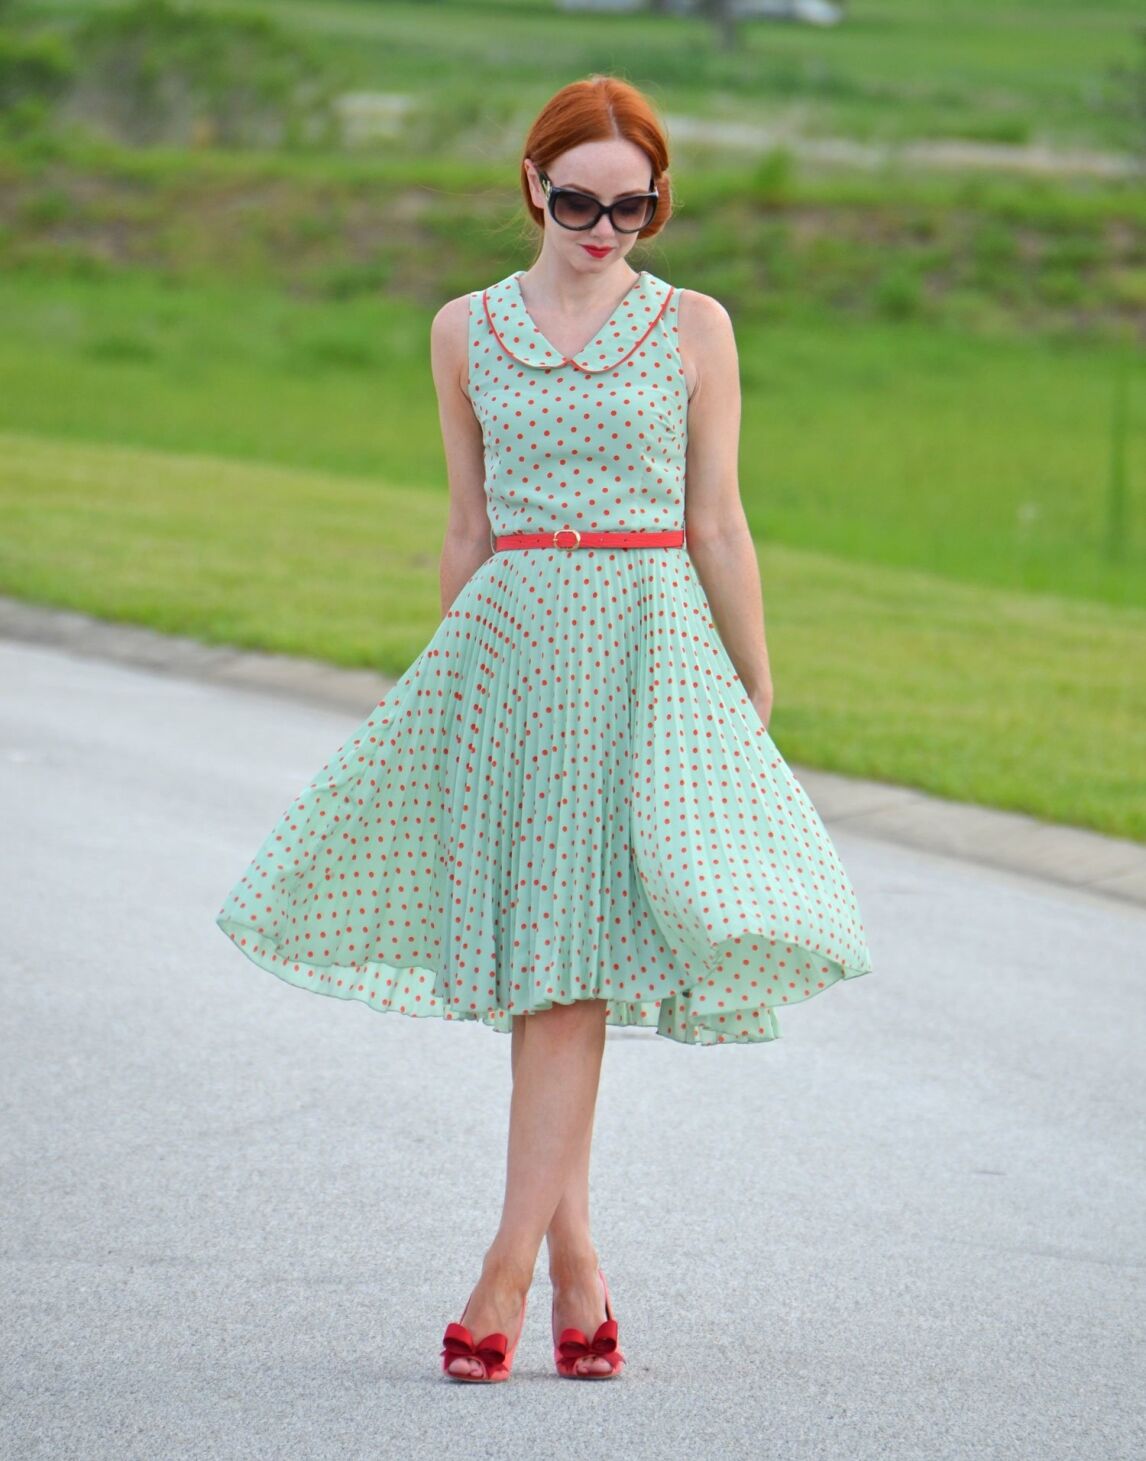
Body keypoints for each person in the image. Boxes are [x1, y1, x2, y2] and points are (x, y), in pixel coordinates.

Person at [215, 73, 874, 1385]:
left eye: (631, 208)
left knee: (566, 970)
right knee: (546, 969)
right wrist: (452, 685)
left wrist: (754, 675)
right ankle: (575, 1266)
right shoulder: (462, 328)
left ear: (657, 207)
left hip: (645, 648)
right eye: (576, 199)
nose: (600, 227)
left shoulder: (694, 328)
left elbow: (717, 519)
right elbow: (466, 522)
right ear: (530, 185)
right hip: (510, 653)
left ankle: (505, 1268)